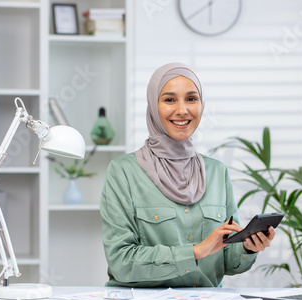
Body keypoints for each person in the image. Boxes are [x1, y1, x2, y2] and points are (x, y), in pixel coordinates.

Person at [100, 62, 275, 287]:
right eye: (169, 99)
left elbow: (229, 262)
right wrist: (196, 251)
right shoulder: (123, 172)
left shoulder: (216, 172)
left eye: (192, 99)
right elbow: (121, 262)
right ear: (153, 105)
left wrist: (248, 247)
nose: (182, 110)